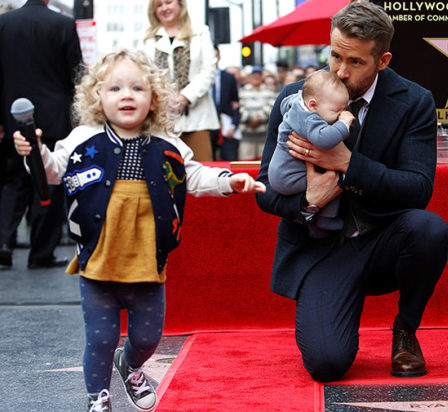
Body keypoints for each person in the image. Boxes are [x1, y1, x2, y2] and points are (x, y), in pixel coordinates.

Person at [13, 50, 265, 411]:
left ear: (154, 97)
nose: (126, 95)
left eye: (137, 88)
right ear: (97, 96)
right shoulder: (83, 137)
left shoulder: (167, 143)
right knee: (100, 337)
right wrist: (34, 151)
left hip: (147, 260)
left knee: (148, 338)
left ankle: (130, 364)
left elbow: (193, 176)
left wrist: (231, 180)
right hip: (98, 260)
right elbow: (52, 171)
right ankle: (98, 398)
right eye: (115, 88)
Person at [255, 2, 448, 382]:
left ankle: (406, 330)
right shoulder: (296, 98)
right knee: (328, 364)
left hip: (383, 238)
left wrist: (348, 164)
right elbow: (264, 189)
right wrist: (308, 202)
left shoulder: (414, 101)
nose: (340, 71)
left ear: (382, 60)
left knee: (430, 229)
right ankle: (336, 313)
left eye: (355, 62)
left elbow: (418, 188)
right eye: (334, 55)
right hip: (321, 248)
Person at [0, 0, 82, 269]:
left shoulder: (4, 23)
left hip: (13, 117)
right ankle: (41, 252)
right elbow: (76, 75)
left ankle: (3, 243)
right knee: (48, 183)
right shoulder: (63, 24)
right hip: (54, 119)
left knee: (12, 183)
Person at [269, 70, 354, 237]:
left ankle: (315, 221)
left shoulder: (297, 101)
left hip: (281, 171)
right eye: (336, 111)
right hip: (289, 177)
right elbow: (324, 140)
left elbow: (284, 103)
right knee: (335, 179)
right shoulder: (309, 118)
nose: (339, 114)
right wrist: (343, 124)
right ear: (313, 105)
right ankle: (326, 219)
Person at [142, 0, 219, 162]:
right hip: (160, 119)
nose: (164, 8)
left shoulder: (200, 32)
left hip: (197, 118)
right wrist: (164, 98)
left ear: (180, 5)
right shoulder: (147, 38)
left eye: (168, 3)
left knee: (203, 169)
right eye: (159, 5)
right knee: (164, 174)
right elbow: (142, 74)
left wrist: (184, 97)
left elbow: (209, 70)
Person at [237, 66, 277, 160]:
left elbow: (271, 108)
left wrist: (258, 118)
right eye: (254, 75)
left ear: (262, 76)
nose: (256, 77)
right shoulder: (242, 92)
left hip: (264, 136)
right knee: (245, 164)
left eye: (258, 75)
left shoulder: (269, 92)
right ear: (250, 76)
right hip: (246, 136)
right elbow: (239, 108)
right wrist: (250, 119)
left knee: (264, 162)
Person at [210, 46, 240, 161]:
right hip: (207, 126)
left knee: (230, 161)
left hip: (226, 126)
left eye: (215, 56)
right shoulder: (197, 79)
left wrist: (233, 125)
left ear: (219, 57)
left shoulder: (229, 78)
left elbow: (236, 104)